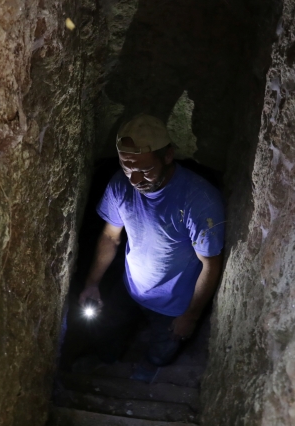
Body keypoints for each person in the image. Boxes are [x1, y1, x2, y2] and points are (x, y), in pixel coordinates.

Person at [78, 114, 225, 366]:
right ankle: (105, 362)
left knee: (161, 352)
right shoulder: (119, 185)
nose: (134, 180)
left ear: (167, 156)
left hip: (174, 304)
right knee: (107, 331)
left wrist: (191, 315)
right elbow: (110, 237)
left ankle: (151, 371)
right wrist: (92, 283)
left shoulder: (199, 201)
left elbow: (210, 264)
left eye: (144, 170)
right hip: (131, 286)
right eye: (127, 167)